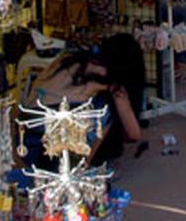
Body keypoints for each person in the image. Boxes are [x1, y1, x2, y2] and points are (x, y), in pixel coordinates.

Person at [22, 34, 145, 168]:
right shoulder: (105, 76)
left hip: (25, 137)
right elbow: (134, 134)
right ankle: (79, 168)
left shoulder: (68, 59)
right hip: (48, 142)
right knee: (105, 110)